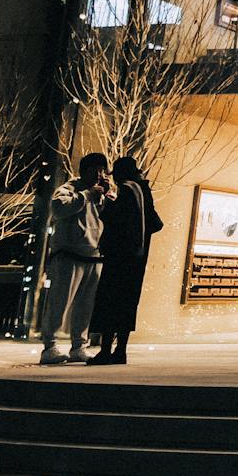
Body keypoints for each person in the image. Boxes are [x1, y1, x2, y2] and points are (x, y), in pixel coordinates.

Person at [88, 155, 162, 365]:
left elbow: (117, 220)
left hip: (120, 258)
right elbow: (154, 223)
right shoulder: (143, 190)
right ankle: (120, 350)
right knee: (128, 304)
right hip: (138, 258)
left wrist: (105, 205)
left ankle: (105, 351)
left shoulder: (128, 190)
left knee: (110, 302)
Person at [38, 152, 110, 364]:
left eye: (102, 170)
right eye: (95, 170)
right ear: (84, 171)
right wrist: (87, 194)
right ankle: (49, 345)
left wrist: (105, 195)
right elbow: (59, 209)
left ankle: (79, 345)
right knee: (59, 302)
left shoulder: (101, 195)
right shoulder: (68, 190)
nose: (98, 175)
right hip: (69, 255)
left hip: (94, 256)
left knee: (85, 306)